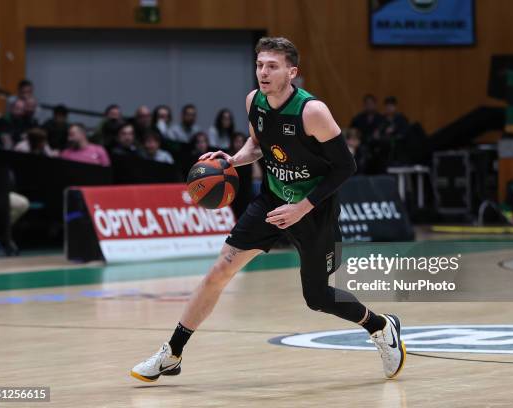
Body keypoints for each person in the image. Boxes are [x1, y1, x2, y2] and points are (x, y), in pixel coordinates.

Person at [131, 36, 406, 383]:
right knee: (219, 272)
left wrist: (302, 208)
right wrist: (232, 160)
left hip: (312, 209)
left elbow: (345, 167)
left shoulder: (312, 112)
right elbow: (258, 145)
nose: (263, 72)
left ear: (292, 72)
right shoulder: (254, 102)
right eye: (259, 65)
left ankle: (380, 327)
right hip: (272, 199)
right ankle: (172, 354)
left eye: (272, 66)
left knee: (318, 297)